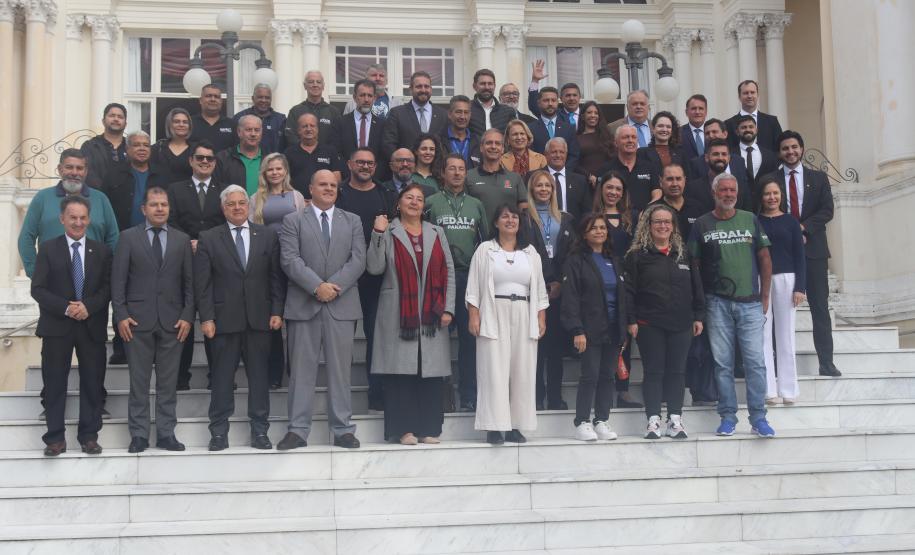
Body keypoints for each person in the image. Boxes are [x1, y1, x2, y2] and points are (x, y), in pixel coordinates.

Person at [278, 169, 365, 450]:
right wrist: (317, 287)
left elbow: (358, 260)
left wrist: (333, 286)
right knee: (301, 371)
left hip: (342, 304)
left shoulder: (352, 220)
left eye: (333, 185)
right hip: (304, 304)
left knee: (340, 372)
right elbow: (289, 260)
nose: (328, 189)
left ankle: (343, 429)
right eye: (322, 184)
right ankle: (298, 430)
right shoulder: (293, 220)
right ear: (311, 188)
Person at [195, 185, 285, 451]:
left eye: (241, 203)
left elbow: (275, 278)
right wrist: (206, 317)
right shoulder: (209, 238)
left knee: (259, 378)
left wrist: (277, 311)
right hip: (223, 320)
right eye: (231, 203)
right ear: (223, 208)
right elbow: (203, 284)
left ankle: (260, 432)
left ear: (248, 206)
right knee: (222, 379)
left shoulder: (267, 236)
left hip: (260, 319)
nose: (237, 207)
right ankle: (219, 433)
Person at [688, 173, 775, 438]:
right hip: (717, 303)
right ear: (715, 193)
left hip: (750, 303)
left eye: (732, 190)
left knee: (755, 363)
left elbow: (765, 257)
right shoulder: (702, 224)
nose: (728, 194)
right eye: (723, 190)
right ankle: (728, 416)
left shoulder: (750, 219)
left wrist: (765, 296)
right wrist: (700, 303)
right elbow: (694, 264)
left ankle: (759, 417)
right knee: (722, 364)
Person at [367, 183, 456, 444]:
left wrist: (449, 307)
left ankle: (429, 428)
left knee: (429, 372)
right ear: (399, 203)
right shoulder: (389, 230)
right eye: (409, 198)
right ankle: (403, 430)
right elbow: (374, 267)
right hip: (398, 313)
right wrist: (377, 233)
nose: (415, 202)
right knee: (400, 373)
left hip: (432, 314)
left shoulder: (436, 231)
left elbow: (448, 270)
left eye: (419, 199)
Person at [111, 186, 194, 453]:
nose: (160, 209)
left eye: (164, 205)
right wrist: (121, 315)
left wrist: (187, 316)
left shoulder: (182, 240)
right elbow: (118, 281)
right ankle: (139, 435)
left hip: (173, 323)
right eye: (154, 204)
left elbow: (190, 284)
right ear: (143, 209)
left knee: (168, 383)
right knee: (139, 382)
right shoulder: (128, 238)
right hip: (136, 323)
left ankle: (167, 433)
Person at [31, 196, 112, 456]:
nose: (78, 222)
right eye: (73, 217)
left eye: (83, 218)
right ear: (62, 219)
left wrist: (88, 306)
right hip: (57, 326)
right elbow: (38, 289)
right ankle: (55, 438)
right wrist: (67, 307)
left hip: (91, 325)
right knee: (54, 383)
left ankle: (89, 436)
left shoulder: (101, 251)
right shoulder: (47, 249)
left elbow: (108, 288)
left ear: (89, 220)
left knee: (92, 382)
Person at [466, 204, 549, 445]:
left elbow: (540, 288)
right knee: (493, 369)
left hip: (524, 311)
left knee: (522, 370)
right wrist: (474, 314)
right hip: (493, 311)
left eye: (514, 217)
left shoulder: (530, 252)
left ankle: (515, 425)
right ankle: (494, 426)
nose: (510, 220)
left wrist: (541, 317)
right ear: (496, 223)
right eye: (505, 217)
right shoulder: (485, 250)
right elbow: (474, 286)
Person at [624, 204, 704, 440]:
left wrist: (699, 315)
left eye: (667, 222)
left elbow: (696, 286)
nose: (662, 226)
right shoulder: (637, 256)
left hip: (682, 323)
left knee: (677, 372)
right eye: (657, 221)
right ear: (649, 225)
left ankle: (675, 420)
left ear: (673, 226)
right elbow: (628, 291)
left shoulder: (684, 253)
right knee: (654, 372)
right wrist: (631, 320)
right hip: (650, 323)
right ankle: (653, 420)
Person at [767, 130, 840, 377]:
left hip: (814, 252)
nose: (790, 152)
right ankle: (780, 365)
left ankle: (826, 363)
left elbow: (827, 210)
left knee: (820, 308)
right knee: (780, 311)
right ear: (780, 152)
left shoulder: (818, 178)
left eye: (794, 147)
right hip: (782, 255)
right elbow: (766, 210)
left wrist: (803, 227)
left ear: (802, 149)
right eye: (786, 148)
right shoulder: (771, 179)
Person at [425, 154, 489, 411]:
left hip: (468, 278)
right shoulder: (431, 202)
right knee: (436, 339)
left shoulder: (476, 204)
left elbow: (485, 243)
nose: (456, 173)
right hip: (437, 278)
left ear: (466, 173)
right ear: (444, 172)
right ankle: (438, 394)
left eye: (461, 169)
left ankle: (469, 395)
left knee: (469, 340)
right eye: (451, 168)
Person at [337, 148, 398, 412]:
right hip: (344, 275)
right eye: (360, 162)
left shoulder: (385, 193)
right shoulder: (339, 193)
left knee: (377, 337)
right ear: (349, 164)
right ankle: (340, 396)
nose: (365, 166)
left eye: (370, 163)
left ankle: (377, 395)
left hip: (376, 275)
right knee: (342, 340)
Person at [561, 214, 625, 442]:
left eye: (602, 227)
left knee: (608, 376)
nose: (599, 231)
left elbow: (622, 296)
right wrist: (577, 329)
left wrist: (624, 328)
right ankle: (582, 422)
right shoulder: (576, 260)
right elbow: (571, 298)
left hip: (613, 328)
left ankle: (601, 420)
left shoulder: (614, 260)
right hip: (588, 328)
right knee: (590, 375)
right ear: (584, 233)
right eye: (593, 228)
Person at [167, 141, 225, 390]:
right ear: (191, 160)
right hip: (183, 259)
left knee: (215, 318)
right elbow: (170, 219)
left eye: (209, 159)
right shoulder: (175, 189)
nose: (204, 162)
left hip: (215, 262)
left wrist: (205, 242)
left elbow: (228, 221)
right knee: (185, 317)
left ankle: (218, 375)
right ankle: (181, 377)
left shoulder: (224, 191)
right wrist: (186, 241)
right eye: (200, 158)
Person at [249, 153, 307, 389]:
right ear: (264, 173)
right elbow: (253, 228)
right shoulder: (256, 198)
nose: (274, 173)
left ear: (285, 171)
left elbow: (305, 227)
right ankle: (274, 372)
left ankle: (296, 368)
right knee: (272, 317)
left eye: (278, 169)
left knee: (295, 316)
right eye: (270, 169)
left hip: (293, 259)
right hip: (267, 260)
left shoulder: (296, 196)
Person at [19, 149, 119, 280]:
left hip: (93, 281)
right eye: (69, 167)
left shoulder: (100, 199)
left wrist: (107, 272)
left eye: (79, 168)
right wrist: (35, 272)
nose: (74, 172)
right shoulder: (42, 198)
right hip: (52, 280)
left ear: (86, 171)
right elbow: (26, 238)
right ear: (60, 169)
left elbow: (113, 238)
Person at [591, 171, 642, 409]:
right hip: (601, 281)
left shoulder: (632, 217)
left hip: (627, 281)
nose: (613, 193)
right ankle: (598, 390)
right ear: (602, 190)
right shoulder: (592, 217)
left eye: (618, 189)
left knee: (624, 338)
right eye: (609, 188)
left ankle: (622, 390)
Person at [525, 170, 575, 410]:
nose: (544, 189)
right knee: (536, 348)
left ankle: (555, 396)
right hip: (533, 289)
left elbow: (571, 254)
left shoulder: (565, 218)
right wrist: (544, 281)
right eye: (539, 186)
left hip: (559, 291)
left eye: (548, 186)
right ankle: (536, 396)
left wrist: (559, 282)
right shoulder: (524, 218)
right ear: (532, 189)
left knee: (555, 348)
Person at [757, 177, 806, 404]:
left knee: (786, 335)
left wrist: (800, 287)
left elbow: (800, 256)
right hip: (761, 280)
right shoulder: (755, 221)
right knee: (764, 334)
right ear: (762, 197)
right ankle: (769, 390)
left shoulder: (791, 222)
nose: (772, 197)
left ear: (781, 196)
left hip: (787, 279)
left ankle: (789, 389)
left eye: (775, 193)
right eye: (768, 193)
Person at [382, 71, 447, 161]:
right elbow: (389, 144)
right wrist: (402, 164)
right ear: (411, 89)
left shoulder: (443, 115)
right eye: (419, 86)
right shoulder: (397, 113)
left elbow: (445, 145)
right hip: (406, 170)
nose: (423, 90)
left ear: (431, 89)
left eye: (426, 86)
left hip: (435, 172)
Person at [467, 128, 528, 223]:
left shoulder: (515, 178)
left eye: (498, 143)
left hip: (507, 235)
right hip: (478, 236)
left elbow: (524, 212)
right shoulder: (468, 176)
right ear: (481, 147)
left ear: (503, 149)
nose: (493, 146)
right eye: (489, 143)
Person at [599, 125, 661, 212]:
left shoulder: (649, 167)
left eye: (633, 137)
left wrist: (646, 213)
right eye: (625, 137)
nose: (630, 140)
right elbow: (599, 198)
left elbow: (657, 193)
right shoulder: (606, 169)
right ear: (616, 143)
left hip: (643, 220)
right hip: (616, 219)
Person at [284, 112, 343, 197]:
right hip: (297, 203)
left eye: (312, 126)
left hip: (324, 202)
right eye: (304, 126)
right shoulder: (289, 153)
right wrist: (298, 200)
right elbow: (285, 181)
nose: (309, 129)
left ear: (318, 129)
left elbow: (336, 180)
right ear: (298, 130)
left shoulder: (330, 151)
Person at [686, 138, 752, 212]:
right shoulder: (693, 188)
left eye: (724, 154)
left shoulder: (741, 186)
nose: (720, 158)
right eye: (715, 154)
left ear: (729, 158)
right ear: (707, 158)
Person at [334, 79, 385, 172]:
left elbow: (383, 155)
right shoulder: (341, 122)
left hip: (373, 179)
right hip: (347, 177)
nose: (366, 99)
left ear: (375, 98)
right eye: (362, 95)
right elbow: (336, 152)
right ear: (354, 97)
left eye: (369, 96)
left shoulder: (382, 125)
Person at [527, 86, 579, 171]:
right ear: (539, 103)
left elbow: (574, 155)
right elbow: (530, 155)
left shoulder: (568, 128)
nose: (550, 103)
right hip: (540, 177)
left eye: (553, 100)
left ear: (557, 103)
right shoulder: (530, 128)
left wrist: (562, 172)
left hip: (564, 176)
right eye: (546, 100)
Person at [284, 70, 342, 147]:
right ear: (305, 85)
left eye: (318, 82)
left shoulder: (334, 112)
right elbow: (290, 136)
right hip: (301, 156)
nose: (315, 85)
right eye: (311, 82)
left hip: (326, 157)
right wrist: (305, 150)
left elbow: (338, 137)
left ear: (323, 86)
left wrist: (324, 153)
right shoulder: (295, 111)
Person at [649, 162, 705, 241]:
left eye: (678, 179)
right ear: (661, 182)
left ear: (685, 180)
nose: (674, 184)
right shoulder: (652, 210)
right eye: (669, 179)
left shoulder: (698, 208)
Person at [725, 80, 783, 153]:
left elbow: (780, 146)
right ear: (739, 97)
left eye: (752, 92)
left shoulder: (772, 121)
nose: (749, 96)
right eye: (745, 93)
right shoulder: (728, 124)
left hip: (768, 164)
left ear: (757, 95)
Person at [81, 103, 128, 189]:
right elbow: (87, 173)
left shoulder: (131, 147)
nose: (116, 119)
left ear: (125, 124)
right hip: (98, 198)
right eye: (112, 115)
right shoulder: (90, 146)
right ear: (103, 121)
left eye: (120, 117)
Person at [734, 114, 779, 204]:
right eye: (743, 127)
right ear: (737, 132)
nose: (748, 130)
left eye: (751, 127)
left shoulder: (770, 155)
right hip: (740, 204)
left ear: (756, 130)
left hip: (765, 205)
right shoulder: (730, 155)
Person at [215, 114, 263, 196]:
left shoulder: (269, 159)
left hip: (264, 208)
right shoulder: (223, 159)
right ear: (239, 132)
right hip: (235, 208)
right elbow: (216, 189)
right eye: (248, 129)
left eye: (257, 130)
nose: (253, 134)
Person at [544, 137, 591, 221]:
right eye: (554, 152)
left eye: (561, 152)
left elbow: (587, 212)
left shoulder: (580, 181)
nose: (558, 155)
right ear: (546, 154)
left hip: (573, 230)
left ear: (566, 154)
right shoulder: (534, 177)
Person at [232, 84, 287, 155]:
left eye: (267, 98)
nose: (263, 100)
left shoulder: (281, 120)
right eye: (260, 97)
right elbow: (233, 143)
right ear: (253, 98)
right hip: (245, 162)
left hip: (272, 163)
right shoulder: (239, 117)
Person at [527, 60, 581, 125]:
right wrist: (535, 81)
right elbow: (534, 106)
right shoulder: (553, 113)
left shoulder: (587, 114)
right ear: (561, 99)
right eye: (568, 95)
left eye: (574, 95)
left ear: (579, 97)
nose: (571, 98)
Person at [575, 100, 614, 187]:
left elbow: (612, 158)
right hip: (585, 182)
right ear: (582, 116)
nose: (593, 115)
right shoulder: (576, 139)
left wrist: (603, 177)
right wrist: (588, 176)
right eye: (589, 112)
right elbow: (575, 163)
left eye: (596, 113)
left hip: (606, 181)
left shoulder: (607, 136)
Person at [151, 107, 195, 185]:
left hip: (188, 195)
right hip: (162, 195)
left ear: (189, 126)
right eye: (176, 121)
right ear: (169, 124)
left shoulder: (195, 149)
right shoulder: (158, 148)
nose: (181, 125)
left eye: (185, 122)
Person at [637, 111, 687, 179]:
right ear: (653, 129)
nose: (664, 129)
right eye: (660, 126)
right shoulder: (642, 153)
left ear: (672, 131)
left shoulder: (681, 153)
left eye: (668, 127)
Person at [469, 69, 515, 137]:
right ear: (474, 86)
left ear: (494, 86)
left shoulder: (508, 112)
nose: (487, 87)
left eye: (490, 84)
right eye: (482, 84)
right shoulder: (467, 109)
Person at [190, 84, 236, 153]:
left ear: (221, 101)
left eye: (216, 97)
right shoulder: (190, 123)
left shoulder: (232, 125)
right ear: (200, 100)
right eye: (208, 96)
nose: (213, 99)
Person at [440, 95, 481, 169]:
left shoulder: (478, 141)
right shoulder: (438, 141)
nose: (462, 117)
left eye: (466, 112)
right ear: (449, 114)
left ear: (470, 115)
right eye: (458, 112)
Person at [680, 94, 708, 160]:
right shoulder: (678, 133)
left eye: (701, 108)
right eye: (693, 108)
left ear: (706, 112)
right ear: (686, 112)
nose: (697, 112)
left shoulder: (713, 132)